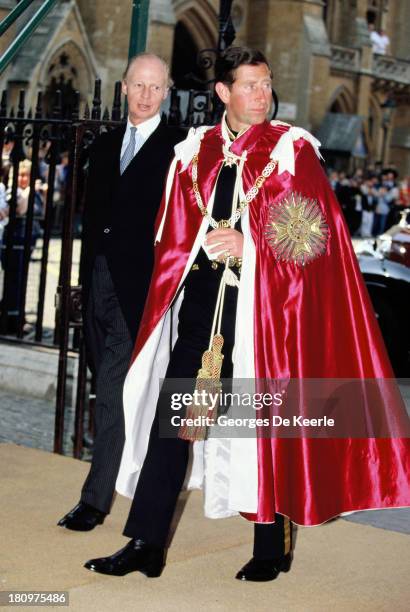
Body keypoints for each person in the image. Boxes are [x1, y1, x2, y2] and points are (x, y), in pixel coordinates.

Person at [84, 47, 410, 581]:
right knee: (175, 425)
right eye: (251, 86)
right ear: (223, 92)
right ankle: (145, 543)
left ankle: (270, 546)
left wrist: (250, 244)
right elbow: (170, 235)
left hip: (263, 317)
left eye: (267, 84)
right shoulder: (196, 151)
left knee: (262, 428)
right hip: (200, 315)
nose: (263, 95)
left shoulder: (291, 152)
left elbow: (312, 239)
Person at [57, 53, 185, 531]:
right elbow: (92, 223)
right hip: (98, 286)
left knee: (116, 391)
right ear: (125, 88)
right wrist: (81, 282)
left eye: (156, 87)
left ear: (166, 92)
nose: (146, 95)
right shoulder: (106, 145)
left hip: (147, 295)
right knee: (105, 389)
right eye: (138, 85)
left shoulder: (180, 149)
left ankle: (96, 500)